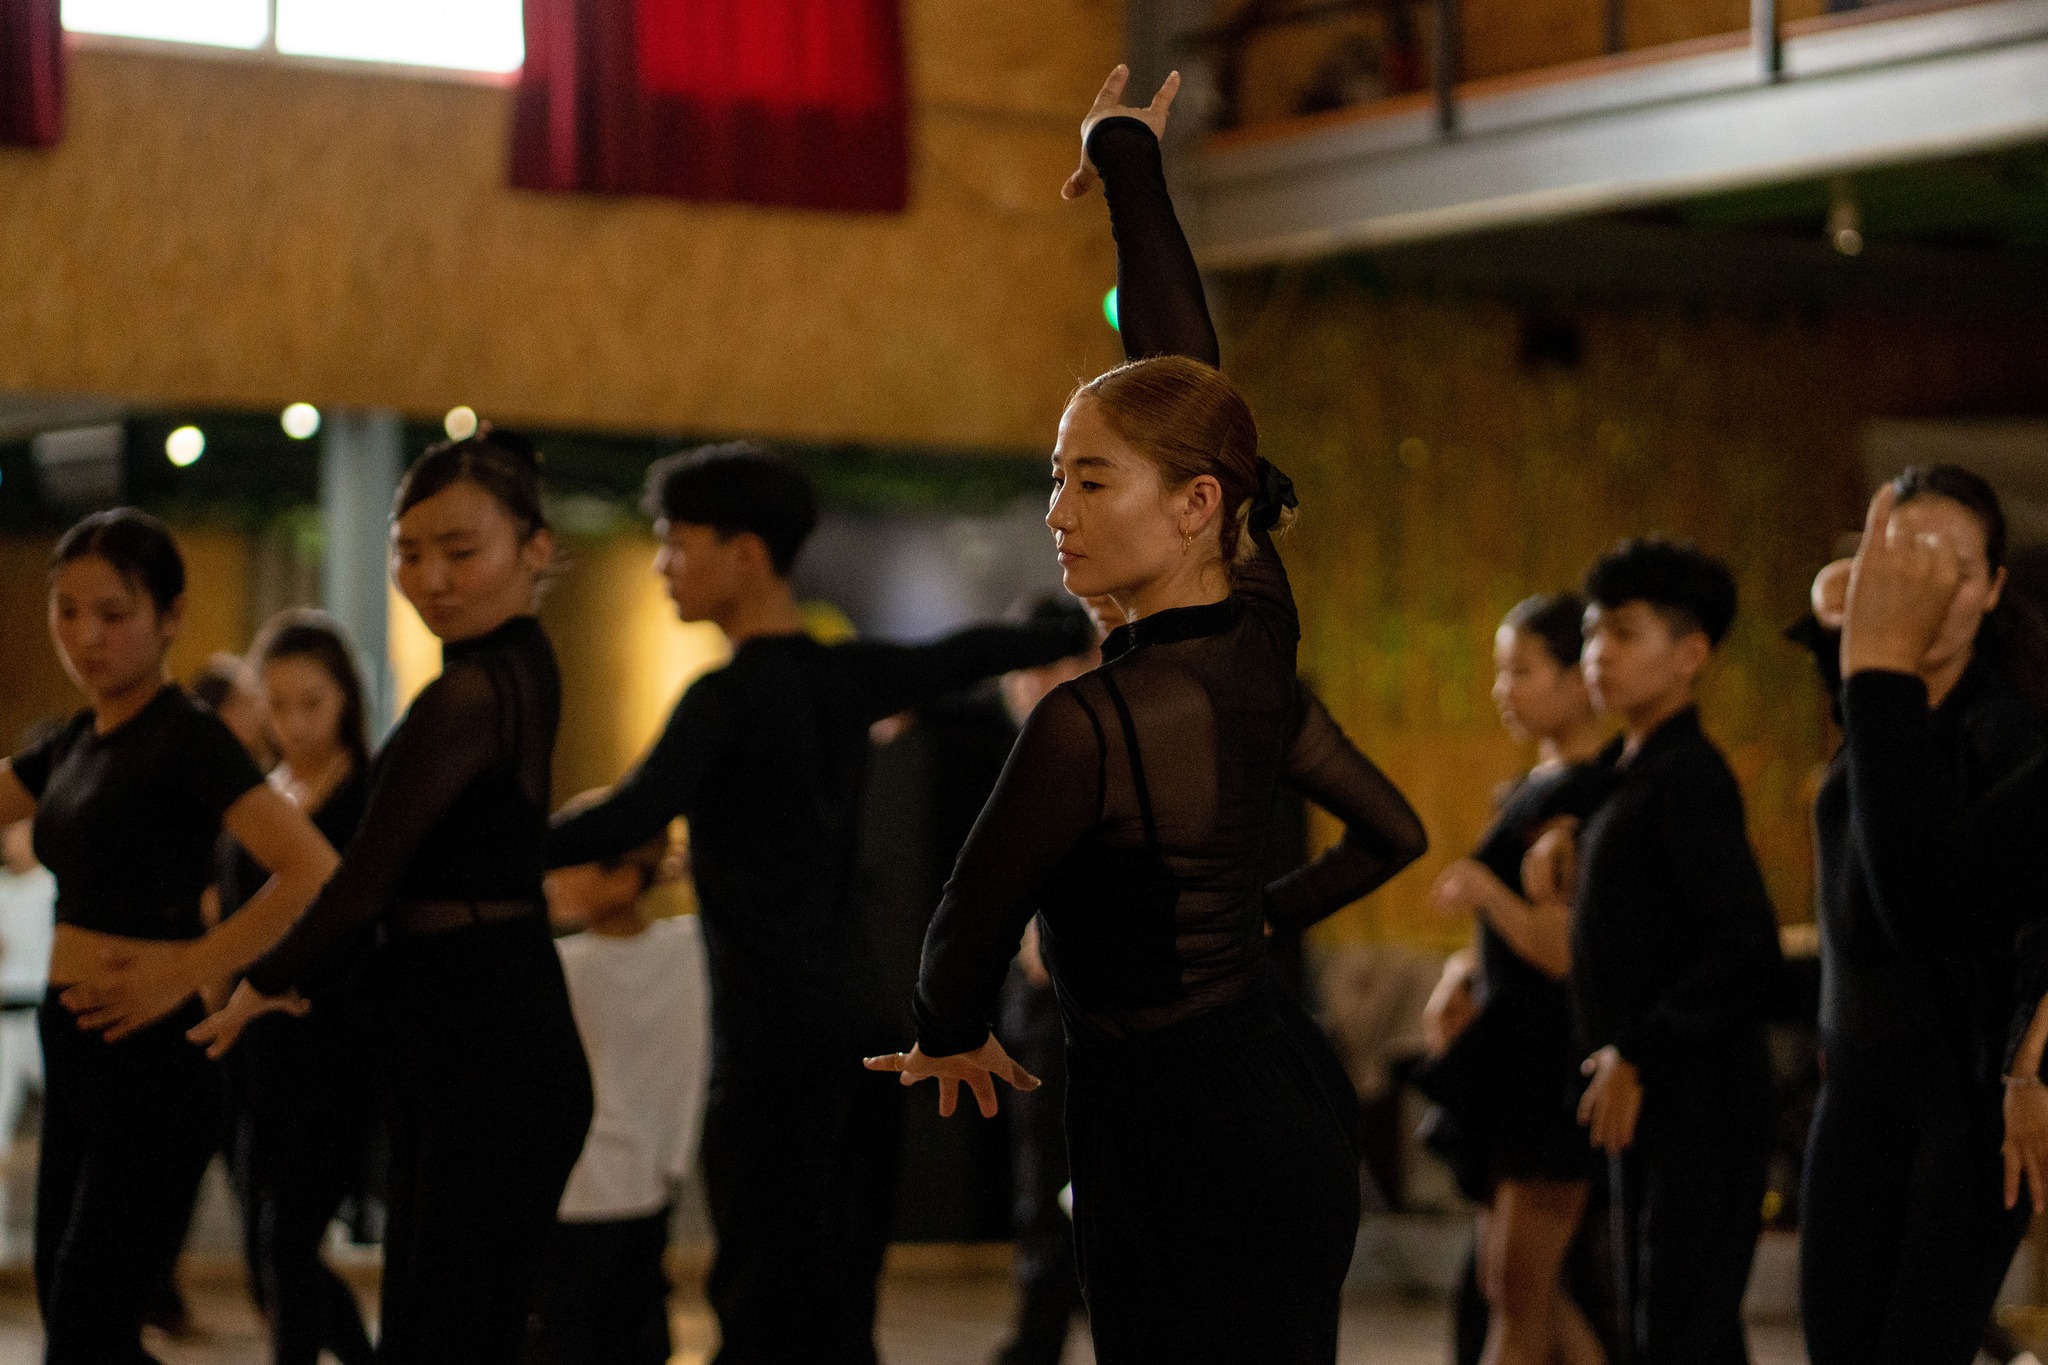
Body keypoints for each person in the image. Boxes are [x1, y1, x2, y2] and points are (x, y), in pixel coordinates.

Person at [870, 66, 1429, 1364]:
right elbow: (1185, 376)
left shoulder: (1088, 723)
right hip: (1280, 1090)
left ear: (1193, 505)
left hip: (1169, 1126)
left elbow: (966, 923)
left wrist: (949, 1032)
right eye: (1054, 480)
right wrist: (1126, 159)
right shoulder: (1261, 628)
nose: (1056, 513)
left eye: (1090, 482)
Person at [542, 447, 1095, 1365]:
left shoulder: (722, 701)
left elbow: (630, 814)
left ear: (745, 554)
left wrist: (476, 847)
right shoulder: (846, 677)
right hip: (864, 1033)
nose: (663, 564)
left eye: (677, 543)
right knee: (843, 1300)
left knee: (762, 1299)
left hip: (768, 1052)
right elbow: (962, 655)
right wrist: (1076, 626)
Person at [68, 432, 597, 1365]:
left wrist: (254, 978)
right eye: (408, 550)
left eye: (460, 550)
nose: (430, 577)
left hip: (487, 1042)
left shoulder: (471, 692)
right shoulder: (511, 668)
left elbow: (360, 882)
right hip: (479, 1032)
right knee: (440, 1323)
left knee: (441, 1330)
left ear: (535, 548)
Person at [0, 509, 338, 1365]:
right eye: (68, 610)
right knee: (75, 1317)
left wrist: (189, 966)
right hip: (74, 1043)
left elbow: (311, 867)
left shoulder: (188, 738)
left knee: (86, 1322)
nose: (87, 635)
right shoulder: (75, 742)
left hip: (151, 1063)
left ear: (170, 616)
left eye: (113, 613)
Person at [1794, 466, 2048, 1365]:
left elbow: (1951, 911)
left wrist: (2027, 1069)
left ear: (1993, 590)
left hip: (1961, 1099)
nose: (1926, 587)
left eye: (1955, 567)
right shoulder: (1871, 709)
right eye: (1905, 561)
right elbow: (1830, 635)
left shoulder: (2004, 734)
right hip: (1854, 1088)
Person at [1531, 538, 1784, 1365]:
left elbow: (1746, 946)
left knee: (1681, 1334)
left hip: (1698, 1101)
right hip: (1653, 1099)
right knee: (1667, 1330)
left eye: (1625, 633)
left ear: (1690, 654)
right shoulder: (1633, 768)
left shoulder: (1690, 776)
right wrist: (1569, 830)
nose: (1598, 653)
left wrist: (1638, 1048)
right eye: (1593, 633)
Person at [1427, 594, 1612, 1365]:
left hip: (1553, 1061)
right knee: (1515, 1286)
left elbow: (1565, 951)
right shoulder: (1537, 784)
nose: (1503, 688)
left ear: (1577, 679)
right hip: (1512, 1061)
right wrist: (1461, 971)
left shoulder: (1594, 794)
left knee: (1520, 1289)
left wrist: (1483, 891)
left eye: (1522, 670)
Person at [216, 611, 378, 1365]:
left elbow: (364, 924)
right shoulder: (259, 796)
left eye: (312, 703)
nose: (294, 724)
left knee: (287, 1241)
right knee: (269, 1251)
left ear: (346, 697)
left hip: (336, 1045)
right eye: (277, 705)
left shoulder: (370, 796)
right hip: (258, 1050)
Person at [524, 814, 710, 1365]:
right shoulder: (689, 950)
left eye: (571, 859)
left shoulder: (557, 966)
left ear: (623, 877)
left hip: (571, 1189)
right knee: (636, 1336)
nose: (551, 876)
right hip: (651, 1179)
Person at [988, 597, 1104, 1365]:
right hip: (1037, 1001)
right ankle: (1041, 1331)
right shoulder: (1028, 753)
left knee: (1078, 1180)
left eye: (1048, 665)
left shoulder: (1099, 751)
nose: (1029, 683)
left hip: (1087, 1003)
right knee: (1044, 1180)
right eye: (1020, 669)